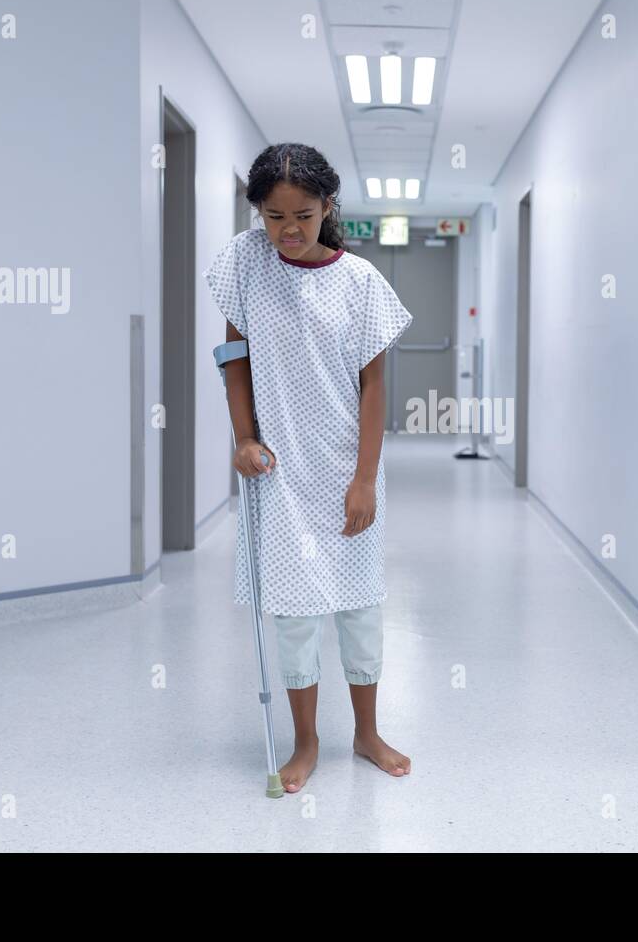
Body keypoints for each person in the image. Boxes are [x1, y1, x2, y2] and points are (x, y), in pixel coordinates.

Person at [203, 143, 414, 793]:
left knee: (359, 609)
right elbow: (233, 354)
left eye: (303, 215)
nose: (288, 232)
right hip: (278, 471)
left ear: (329, 207)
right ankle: (306, 740)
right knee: (293, 614)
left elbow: (374, 386)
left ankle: (368, 733)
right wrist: (243, 437)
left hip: (344, 463)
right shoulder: (244, 262)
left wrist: (365, 479)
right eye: (272, 217)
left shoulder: (361, 283)